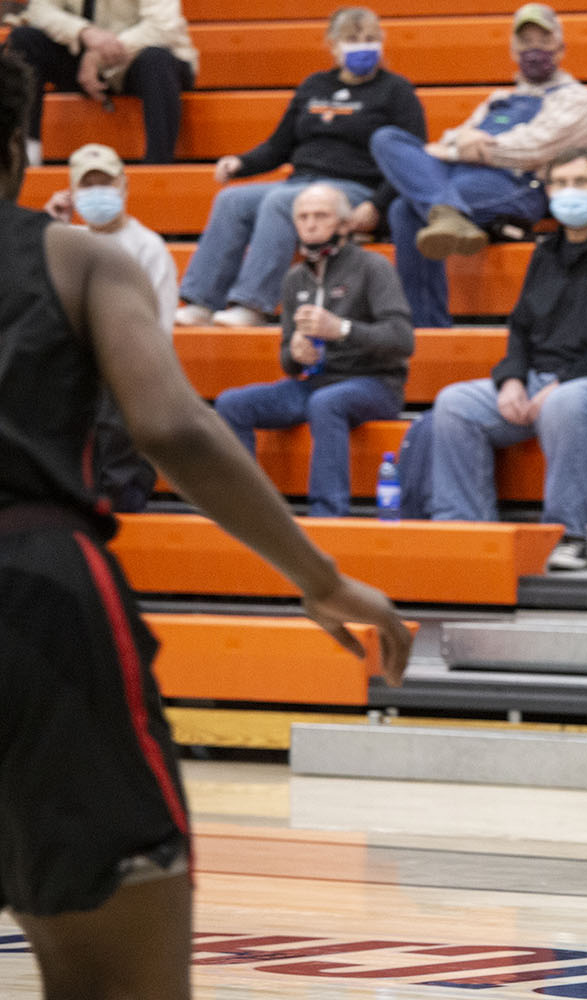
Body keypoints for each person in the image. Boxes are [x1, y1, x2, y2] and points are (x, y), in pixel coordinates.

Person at [0, 51, 412, 999]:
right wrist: (317, 575)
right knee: (116, 978)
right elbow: (173, 425)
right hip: (33, 596)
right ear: (18, 146)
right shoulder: (73, 256)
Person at [417, 147, 587, 571]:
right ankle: (469, 534)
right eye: (561, 184)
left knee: (565, 402)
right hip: (546, 380)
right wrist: (513, 379)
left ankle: (568, 535)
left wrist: (563, 381)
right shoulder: (545, 252)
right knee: (455, 404)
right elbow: (520, 327)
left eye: (581, 182)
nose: (570, 192)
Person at [175, 6, 425, 328]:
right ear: (332, 45)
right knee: (232, 201)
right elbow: (279, 146)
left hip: (353, 187)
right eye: (352, 39)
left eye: (370, 38)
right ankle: (201, 301)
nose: (363, 46)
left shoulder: (397, 91)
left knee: (281, 203)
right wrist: (241, 163)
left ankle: (252, 303)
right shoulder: (314, 86)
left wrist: (376, 205)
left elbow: (411, 158)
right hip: (302, 180)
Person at [368, 2, 587, 327]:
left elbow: (537, 147)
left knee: (405, 210)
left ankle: (427, 324)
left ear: (561, 48)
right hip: (464, 178)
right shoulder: (498, 99)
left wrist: (476, 148)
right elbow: (451, 139)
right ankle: (447, 213)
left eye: (543, 41)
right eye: (525, 42)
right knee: (386, 139)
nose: (534, 50)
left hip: (519, 185)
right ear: (512, 49)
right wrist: (462, 146)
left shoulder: (577, 99)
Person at [214, 183, 414, 518]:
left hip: (375, 383)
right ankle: (246, 511)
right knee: (231, 404)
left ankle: (328, 514)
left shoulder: (372, 267)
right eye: (303, 217)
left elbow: (402, 340)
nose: (310, 224)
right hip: (315, 382)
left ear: (344, 224)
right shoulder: (295, 278)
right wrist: (295, 353)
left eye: (320, 216)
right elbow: (288, 363)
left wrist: (341, 329)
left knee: (326, 403)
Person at [43, 141, 176, 512]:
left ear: (124, 186)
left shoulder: (148, 248)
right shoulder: (64, 241)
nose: (97, 192)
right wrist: (50, 227)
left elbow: (160, 333)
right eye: (87, 185)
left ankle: (119, 501)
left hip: (126, 383)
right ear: (71, 193)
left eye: (106, 183)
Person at [6, 0, 196, 164]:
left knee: (157, 60)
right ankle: (26, 156)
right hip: (82, 59)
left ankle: (157, 169)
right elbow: (39, 10)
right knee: (23, 40)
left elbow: (162, 27)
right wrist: (83, 31)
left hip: (140, 59)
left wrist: (99, 55)